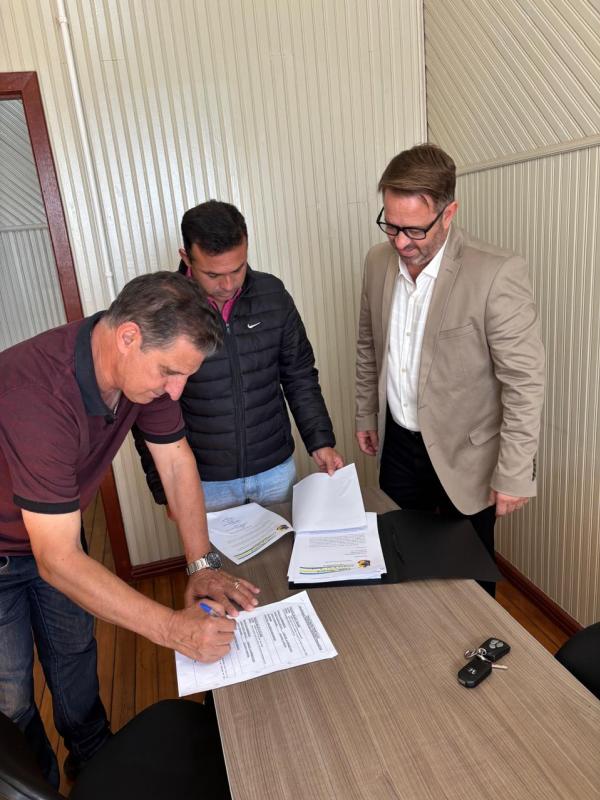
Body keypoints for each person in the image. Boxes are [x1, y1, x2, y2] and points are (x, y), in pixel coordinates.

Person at [0, 271, 259, 788]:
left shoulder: (145, 373)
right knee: (11, 695)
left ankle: (93, 765)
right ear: (128, 336)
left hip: (55, 535)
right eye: (170, 373)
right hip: (9, 549)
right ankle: (37, 786)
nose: (175, 390)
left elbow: (177, 463)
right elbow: (57, 560)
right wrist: (172, 629)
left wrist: (202, 565)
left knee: (75, 658)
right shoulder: (36, 392)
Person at [355, 144, 545, 594]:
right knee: (401, 563)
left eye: (414, 230)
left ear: (449, 213)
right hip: (399, 445)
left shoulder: (496, 272)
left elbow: (524, 382)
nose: (401, 242)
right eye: (391, 225)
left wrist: (515, 472)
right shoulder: (377, 262)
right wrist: (366, 414)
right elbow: (368, 344)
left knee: (470, 577)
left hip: (467, 455)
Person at [135, 200, 344, 511]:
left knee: (286, 544)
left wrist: (321, 441)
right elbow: (144, 402)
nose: (228, 285)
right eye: (213, 274)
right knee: (209, 548)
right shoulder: (162, 309)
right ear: (186, 257)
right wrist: (164, 488)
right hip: (202, 480)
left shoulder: (273, 296)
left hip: (275, 470)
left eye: (238, 269)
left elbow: (299, 375)